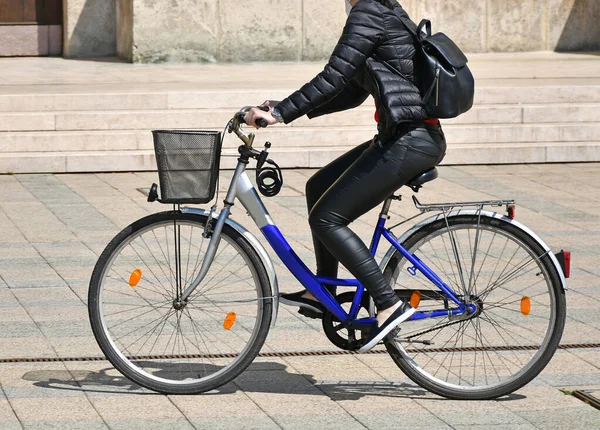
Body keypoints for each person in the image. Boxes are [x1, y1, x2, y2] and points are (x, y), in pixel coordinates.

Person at [244, 0, 447, 352]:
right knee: (317, 186)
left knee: (327, 218)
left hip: (411, 140)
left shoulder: (368, 11)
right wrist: (280, 107)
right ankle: (324, 294)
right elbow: (350, 89)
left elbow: (333, 75)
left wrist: (283, 114)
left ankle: (388, 304)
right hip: (402, 136)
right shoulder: (381, 10)